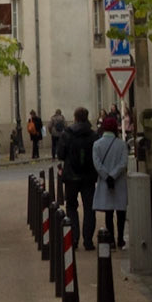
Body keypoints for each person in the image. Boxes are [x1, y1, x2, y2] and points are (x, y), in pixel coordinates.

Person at [61, 106, 97, 249]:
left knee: (71, 207)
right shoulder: (93, 135)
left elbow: (60, 154)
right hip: (88, 176)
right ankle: (88, 240)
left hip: (71, 176)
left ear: (75, 118)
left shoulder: (67, 134)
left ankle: (74, 239)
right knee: (89, 208)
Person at [93, 109, 128, 247]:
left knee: (108, 213)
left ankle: (111, 239)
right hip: (118, 181)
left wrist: (106, 176)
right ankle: (120, 238)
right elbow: (123, 163)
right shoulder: (122, 144)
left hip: (105, 181)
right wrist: (113, 175)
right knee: (120, 212)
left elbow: (97, 163)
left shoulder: (97, 145)